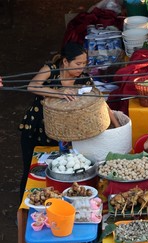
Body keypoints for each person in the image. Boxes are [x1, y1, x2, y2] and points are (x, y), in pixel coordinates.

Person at [18, 42, 118, 201]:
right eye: (78, 64)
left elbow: (100, 103)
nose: (81, 68)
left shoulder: (84, 80)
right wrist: (60, 92)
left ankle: (59, 203)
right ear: (65, 62)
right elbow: (33, 86)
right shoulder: (51, 70)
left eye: (84, 64)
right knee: (32, 171)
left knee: (62, 169)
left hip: (65, 133)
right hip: (37, 128)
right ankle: (26, 206)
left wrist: (117, 127)